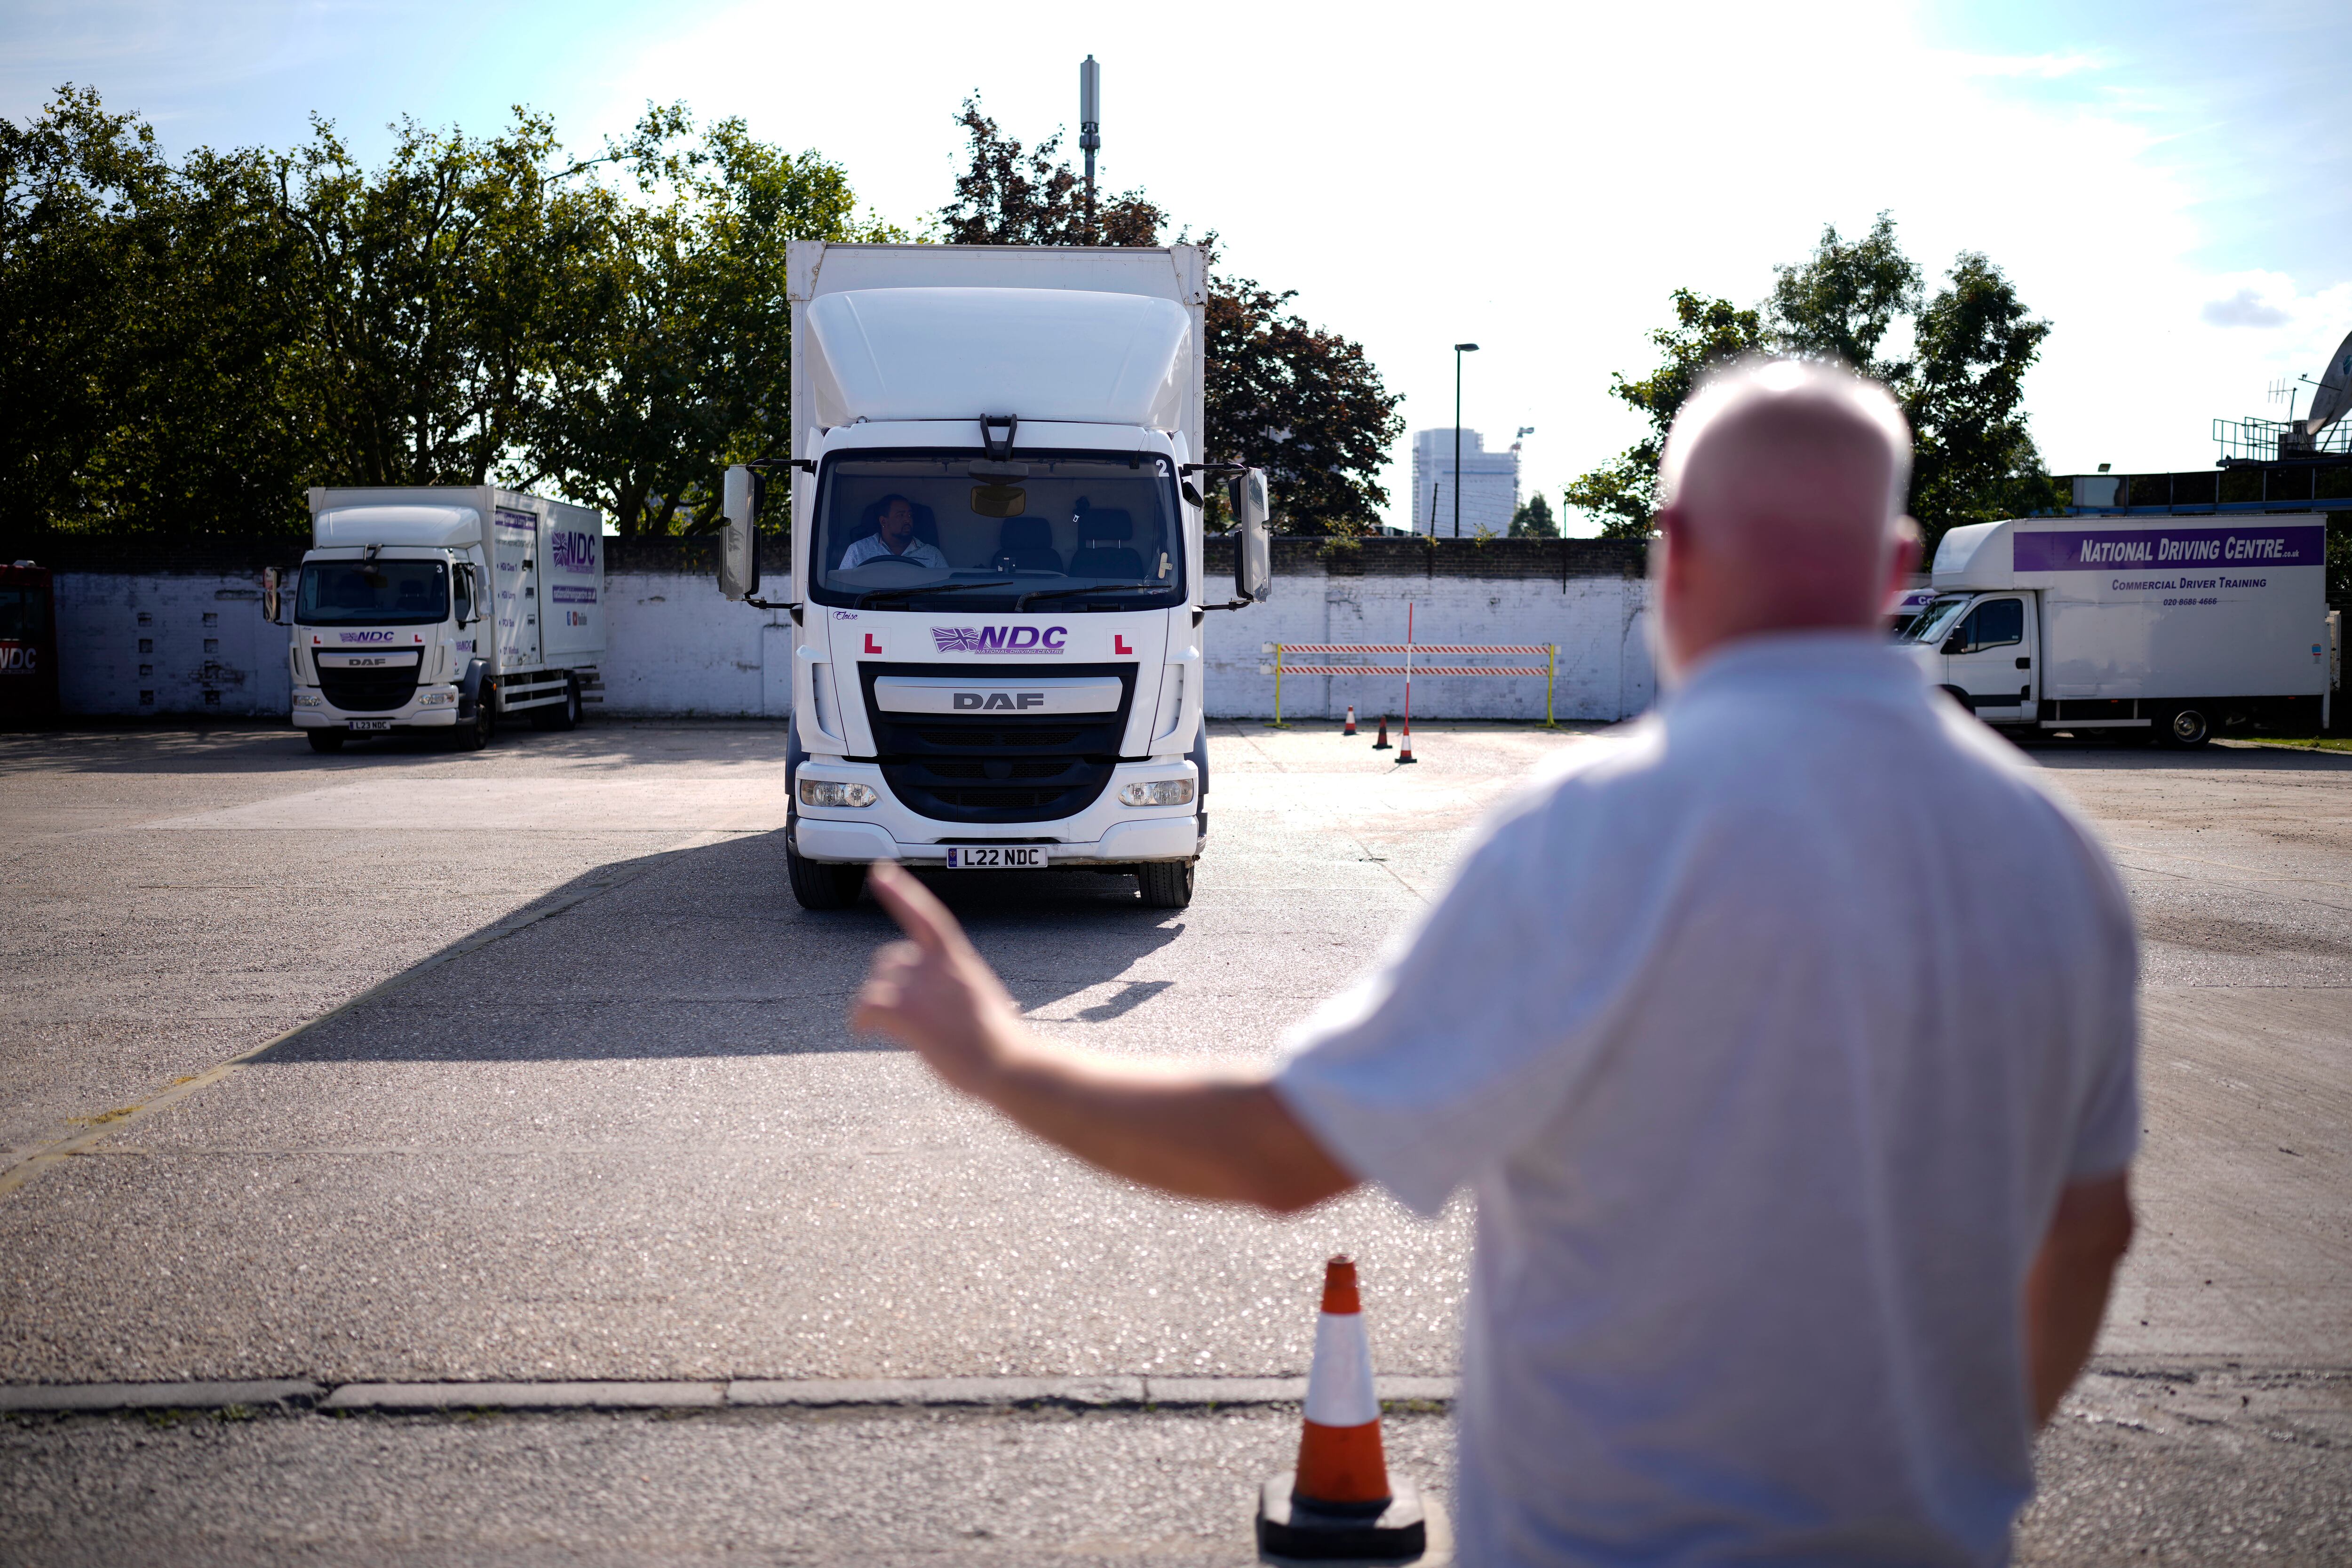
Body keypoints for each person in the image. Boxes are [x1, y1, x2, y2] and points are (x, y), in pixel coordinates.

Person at [850, 360, 2138, 1567]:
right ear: (1898, 567)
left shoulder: (1599, 831)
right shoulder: (2058, 858)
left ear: (1673, 556)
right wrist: (1963, 1470)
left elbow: (1281, 1153)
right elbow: (2091, 1230)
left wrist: (1003, 1057)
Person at [839, 495, 948, 570]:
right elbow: (842, 590)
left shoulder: (932, 555)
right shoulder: (858, 551)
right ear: (884, 521)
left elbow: (945, 593)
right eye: (900, 515)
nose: (907, 520)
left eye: (910, 515)